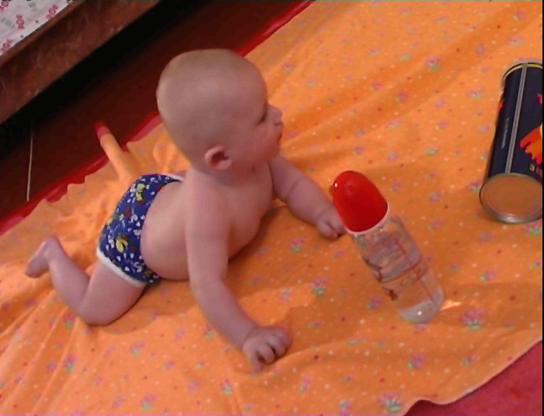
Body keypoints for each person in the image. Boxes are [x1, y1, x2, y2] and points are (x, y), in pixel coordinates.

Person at [26, 49, 345, 370]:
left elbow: (292, 185)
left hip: (166, 190)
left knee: (188, 192)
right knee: (95, 308)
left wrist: (322, 212)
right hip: (137, 234)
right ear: (221, 158)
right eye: (262, 116)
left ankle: (170, 192)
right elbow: (207, 284)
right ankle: (52, 255)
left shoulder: (256, 159)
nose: (278, 114)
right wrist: (247, 335)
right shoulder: (207, 211)